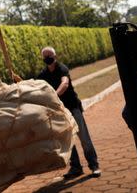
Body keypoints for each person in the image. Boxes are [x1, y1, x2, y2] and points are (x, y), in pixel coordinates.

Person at [36, 46, 101, 179]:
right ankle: (76, 168)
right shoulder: (43, 75)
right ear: (43, 58)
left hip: (72, 107)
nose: (48, 58)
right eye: (46, 56)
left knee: (84, 138)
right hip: (59, 111)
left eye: (50, 56)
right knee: (67, 140)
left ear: (55, 56)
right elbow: (36, 87)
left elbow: (64, 84)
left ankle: (94, 166)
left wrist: (54, 96)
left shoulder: (62, 68)